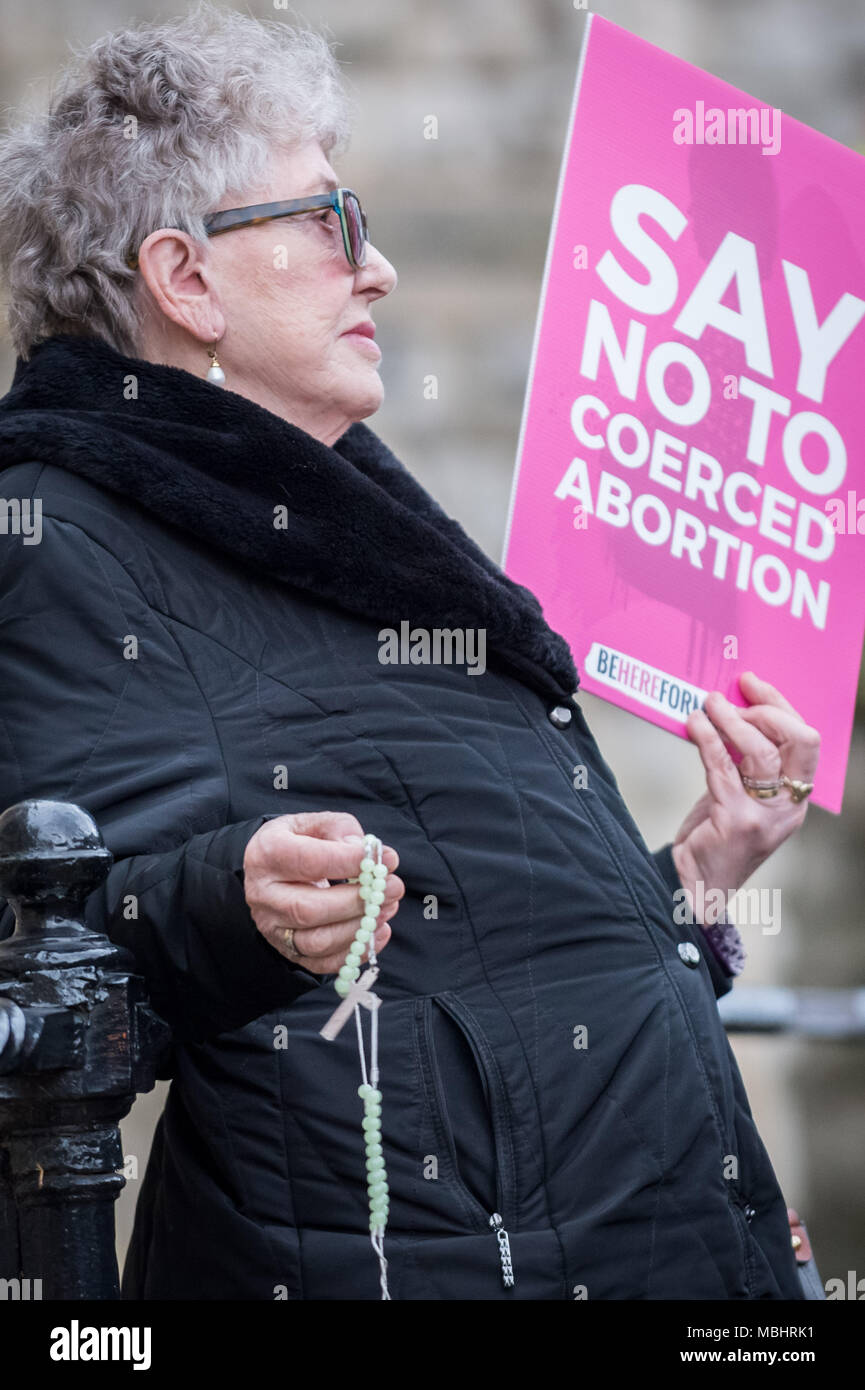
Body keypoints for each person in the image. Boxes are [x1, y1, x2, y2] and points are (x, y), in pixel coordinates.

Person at [0, 3, 819, 1300]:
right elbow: (52, 963)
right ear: (186, 277)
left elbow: (495, 947)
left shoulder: (344, 514)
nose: (375, 268)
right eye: (330, 221)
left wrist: (702, 874)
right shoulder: (68, 537)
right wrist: (232, 895)